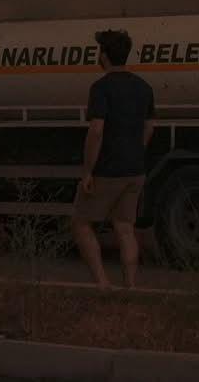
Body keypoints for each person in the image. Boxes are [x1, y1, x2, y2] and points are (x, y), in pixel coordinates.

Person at [74, 28, 156, 289]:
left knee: (81, 223)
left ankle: (102, 283)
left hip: (107, 170)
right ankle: (131, 286)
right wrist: (135, 149)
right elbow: (150, 127)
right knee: (125, 227)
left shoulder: (101, 88)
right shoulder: (144, 87)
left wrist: (88, 171)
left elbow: (96, 130)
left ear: (105, 55)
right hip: (135, 169)